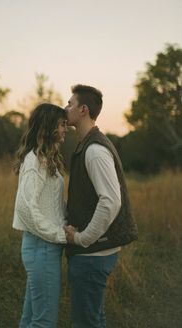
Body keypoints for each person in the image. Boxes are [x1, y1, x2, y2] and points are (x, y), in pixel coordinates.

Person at [64, 85, 138, 328]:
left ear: (83, 110)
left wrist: (83, 238)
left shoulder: (94, 150)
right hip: (94, 254)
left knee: (86, 322)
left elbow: (110, 201)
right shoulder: (89, 144)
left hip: (91, 255)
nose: (66, 108)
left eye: (70, 104)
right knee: (94, 320)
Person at [12, 103, 68, 328]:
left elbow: (49, 204)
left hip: (44, 247)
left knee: (31, 319)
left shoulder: (47, 158)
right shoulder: (35, 161)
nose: (66, 129)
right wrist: (59, 234)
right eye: (62, 124)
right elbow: (26, 208)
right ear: (49, 126)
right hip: (42, 246)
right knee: (44, 321)